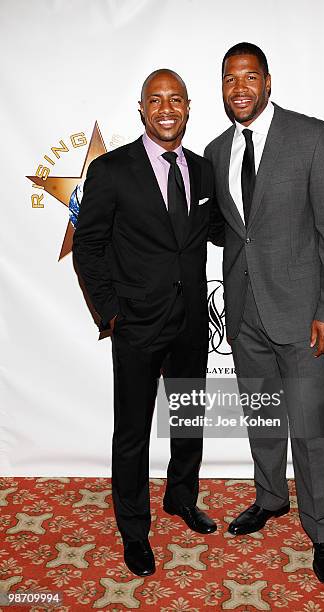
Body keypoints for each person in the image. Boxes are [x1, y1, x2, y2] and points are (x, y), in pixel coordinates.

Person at [204, 42, 324, 585]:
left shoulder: (314, 137)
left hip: (304, 314)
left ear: (268, 82)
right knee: (263, 418)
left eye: (249, 77)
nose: (239, 88)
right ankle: (270, 499)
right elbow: (227, 230)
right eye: (228, 79)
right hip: (245, 315)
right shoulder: (217, 151)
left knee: (311, 429)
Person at [73, 69, 222, 577]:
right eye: (155, 100)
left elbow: (223, 231)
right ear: (141, 108)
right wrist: (112, 312)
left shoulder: (204, 171)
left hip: (191, 323)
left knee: (187, 420)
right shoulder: (112, 170)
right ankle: (133, 531)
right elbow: (89, 247)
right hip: (136, 324)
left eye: (175, 99)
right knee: (132, 433)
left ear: (187, 107)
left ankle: (181, 498)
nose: (166, 108)